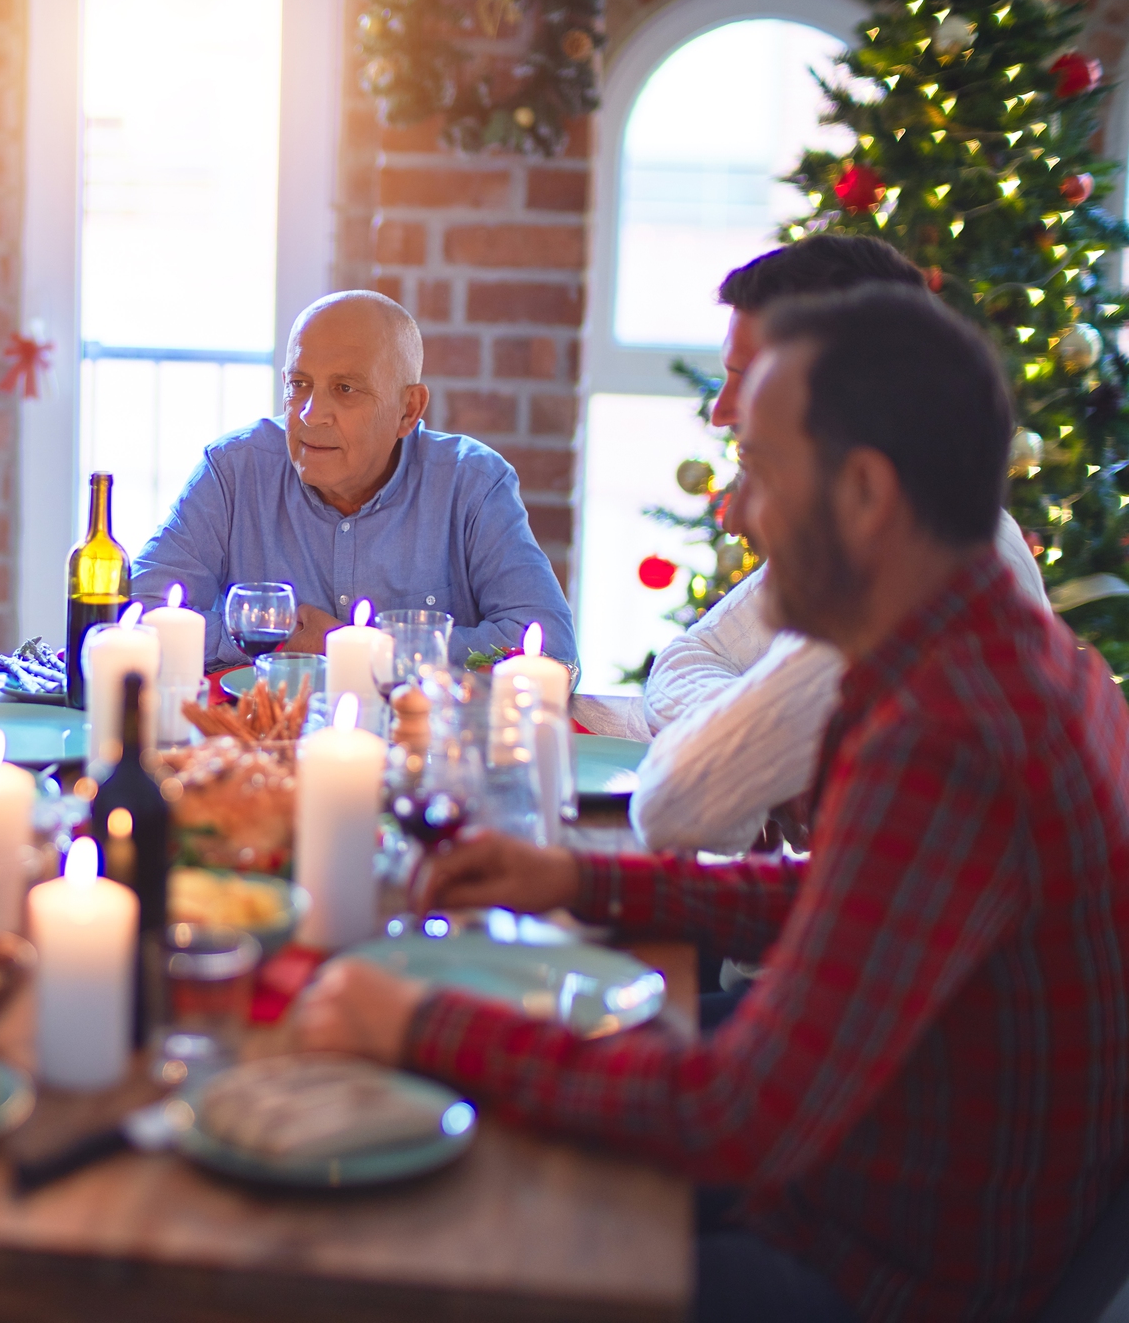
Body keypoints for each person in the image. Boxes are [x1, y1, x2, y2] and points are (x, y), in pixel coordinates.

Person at [296, 285, 1129, 1321]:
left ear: (864, 493)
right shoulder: (992, 646)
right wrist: (576, 873)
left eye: (759, 473)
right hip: (872, 1180)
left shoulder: (948, 731)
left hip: (885, 1270)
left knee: (441, 1236)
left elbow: (730, 1114)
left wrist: (418, 1020)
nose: (734, 512)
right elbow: (845, 895)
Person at [633, 235, 1049, 853]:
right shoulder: (890, 533)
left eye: (748, 380)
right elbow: (688, 658)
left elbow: (682, 806)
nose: (721, 412)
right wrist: (767, 744)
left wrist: (746, 751)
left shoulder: (913, 589)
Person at [130, 290, 575, 669]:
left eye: (345, 389)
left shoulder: (472, 485)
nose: (310, 414)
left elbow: (550, 651)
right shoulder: (233, 471)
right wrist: (269, 635)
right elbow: (136, 616)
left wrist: (347, 648)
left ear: (408, 411)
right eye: (300, 385)